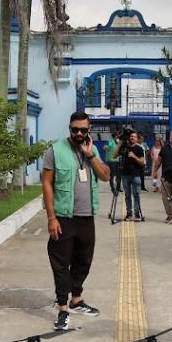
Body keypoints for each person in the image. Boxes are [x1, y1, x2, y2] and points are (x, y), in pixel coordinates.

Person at [41, 111, 112, 330]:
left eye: (83, 129)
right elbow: (46, 184)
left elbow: (105, 176)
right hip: (63, 216)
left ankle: (77, 299)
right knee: (61, 263)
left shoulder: (93, 149)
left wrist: (90, 154)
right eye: (75, 129)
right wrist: (51, 217)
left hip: (86, 216)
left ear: (89, 129)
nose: (79, 133)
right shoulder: (55, 151)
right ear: (69, 128)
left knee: (84, 260)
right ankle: (63, 307)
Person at [119, 130, 147, 221]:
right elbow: (114, 155)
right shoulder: (124, 148)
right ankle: (129, 213)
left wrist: (134, 157)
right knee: (127, 195)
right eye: (131, 136)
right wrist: (119, 145)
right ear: (128, 138)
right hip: (125, 174)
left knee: (136, 195)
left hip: (136, 175)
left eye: (134, 137)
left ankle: (137, 213)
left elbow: (142, 162)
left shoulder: (139, 149)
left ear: (137, 138)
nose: (132, 138)